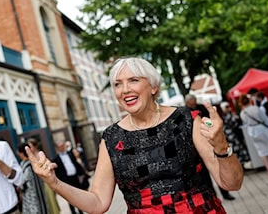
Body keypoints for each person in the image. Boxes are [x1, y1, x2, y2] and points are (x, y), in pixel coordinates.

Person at [25, 57, 243, 213]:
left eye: (133, 80)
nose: (124, 89)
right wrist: (55, 183)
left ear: (154, 87)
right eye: (118, 84)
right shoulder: (111, 137)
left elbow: (232, 184)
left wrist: (221, 147)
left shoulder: (185, 119)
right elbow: (98, 203)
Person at [185, 94, 236, 201]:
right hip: (196, 147)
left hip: (210, 141)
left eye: (194, 100)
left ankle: (225, 193)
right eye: (191, 101)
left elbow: (211, 121)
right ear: (187, 102)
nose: (193, 102)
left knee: (218, 168)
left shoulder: (201, 108)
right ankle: (212, 196)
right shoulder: (184, 112)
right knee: (205, 176)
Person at [52, 140, 87, 214]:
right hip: (67, 180)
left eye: (62, 146)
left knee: (77, 194)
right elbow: (57, 172)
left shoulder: (70, 154)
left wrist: (81, 174)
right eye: (60, 147)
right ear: (57, 148)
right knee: (70, 197)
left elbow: (75, 163)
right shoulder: (56, 159)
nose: (61, 148)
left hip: (75, 177)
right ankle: (73, 212)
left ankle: (81, 211)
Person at [26, 138, 60, 214]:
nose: (29, 148)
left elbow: (48, 166)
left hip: (45, 183)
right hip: (38, 184)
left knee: (50, 201)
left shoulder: (40, 155)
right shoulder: (30, 157)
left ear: (35, 146)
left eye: (30, 146)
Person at [17, 142, 49, 214]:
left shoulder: (30, 165)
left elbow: (23, 182)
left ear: (21, 153)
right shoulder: (24, 164)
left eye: (18, 151)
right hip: (29, 198)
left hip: (35, 198)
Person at [219, 102, 250, 166]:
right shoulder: (224, 116)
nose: (228, 108)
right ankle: (239, 163)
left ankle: (242, 163)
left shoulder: (228, 115)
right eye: (226, 107)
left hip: (234, 135)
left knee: (238, 149)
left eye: (228, 106)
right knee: (235, 150)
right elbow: (232, 124)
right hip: (230, 136)